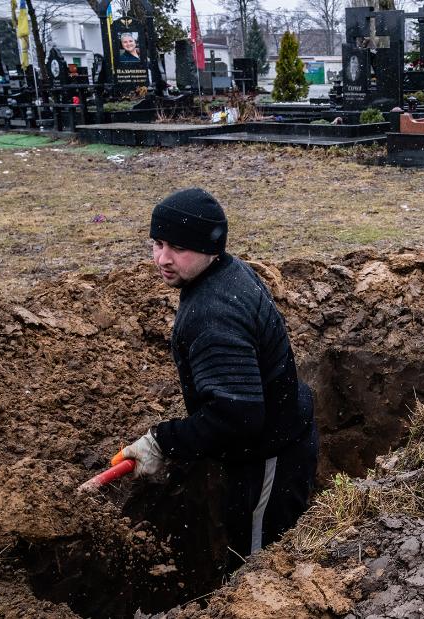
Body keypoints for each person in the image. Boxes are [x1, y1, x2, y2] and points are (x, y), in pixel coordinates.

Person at [120, 188, 319, 574]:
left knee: (259, 569)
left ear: (210, 247)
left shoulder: (214, 315)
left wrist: (162, 441)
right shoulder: (224, 272)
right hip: (267, 437)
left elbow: (238, 417)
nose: (162, 258)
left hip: (271, 455)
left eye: (177, 247)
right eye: (157, 244)